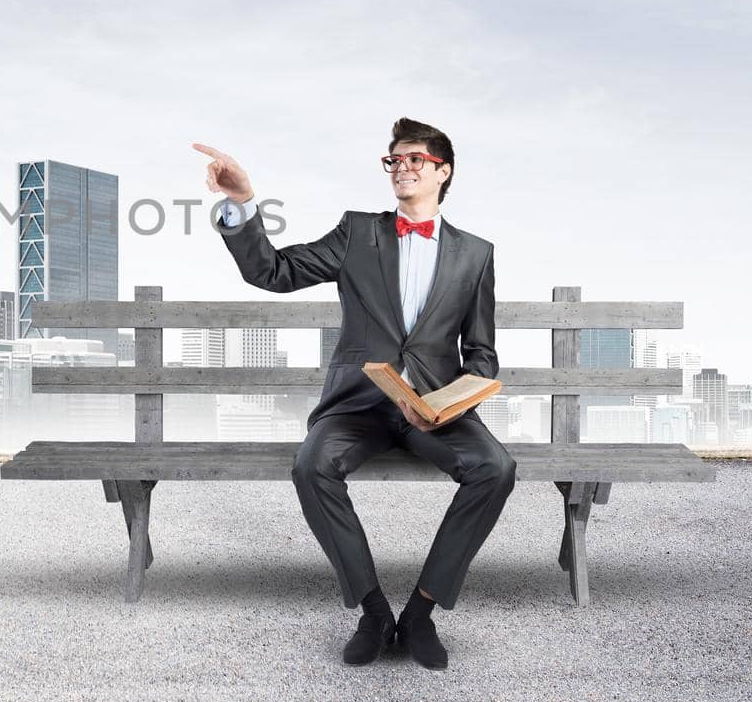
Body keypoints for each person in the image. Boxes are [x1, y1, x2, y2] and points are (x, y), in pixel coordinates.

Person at [192, 117, 516, 669]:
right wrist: (242, 203)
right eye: (394, 160)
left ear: (444, 171)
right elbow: (273, 272)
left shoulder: (476, 253)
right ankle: (372, 611)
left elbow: (481, 352)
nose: (402, 168)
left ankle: (420, 613)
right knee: (311, 465)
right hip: (358, 407)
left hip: (435, 412)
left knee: (496, 468)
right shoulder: (357, 232)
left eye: (414, 158)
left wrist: (449, 403)